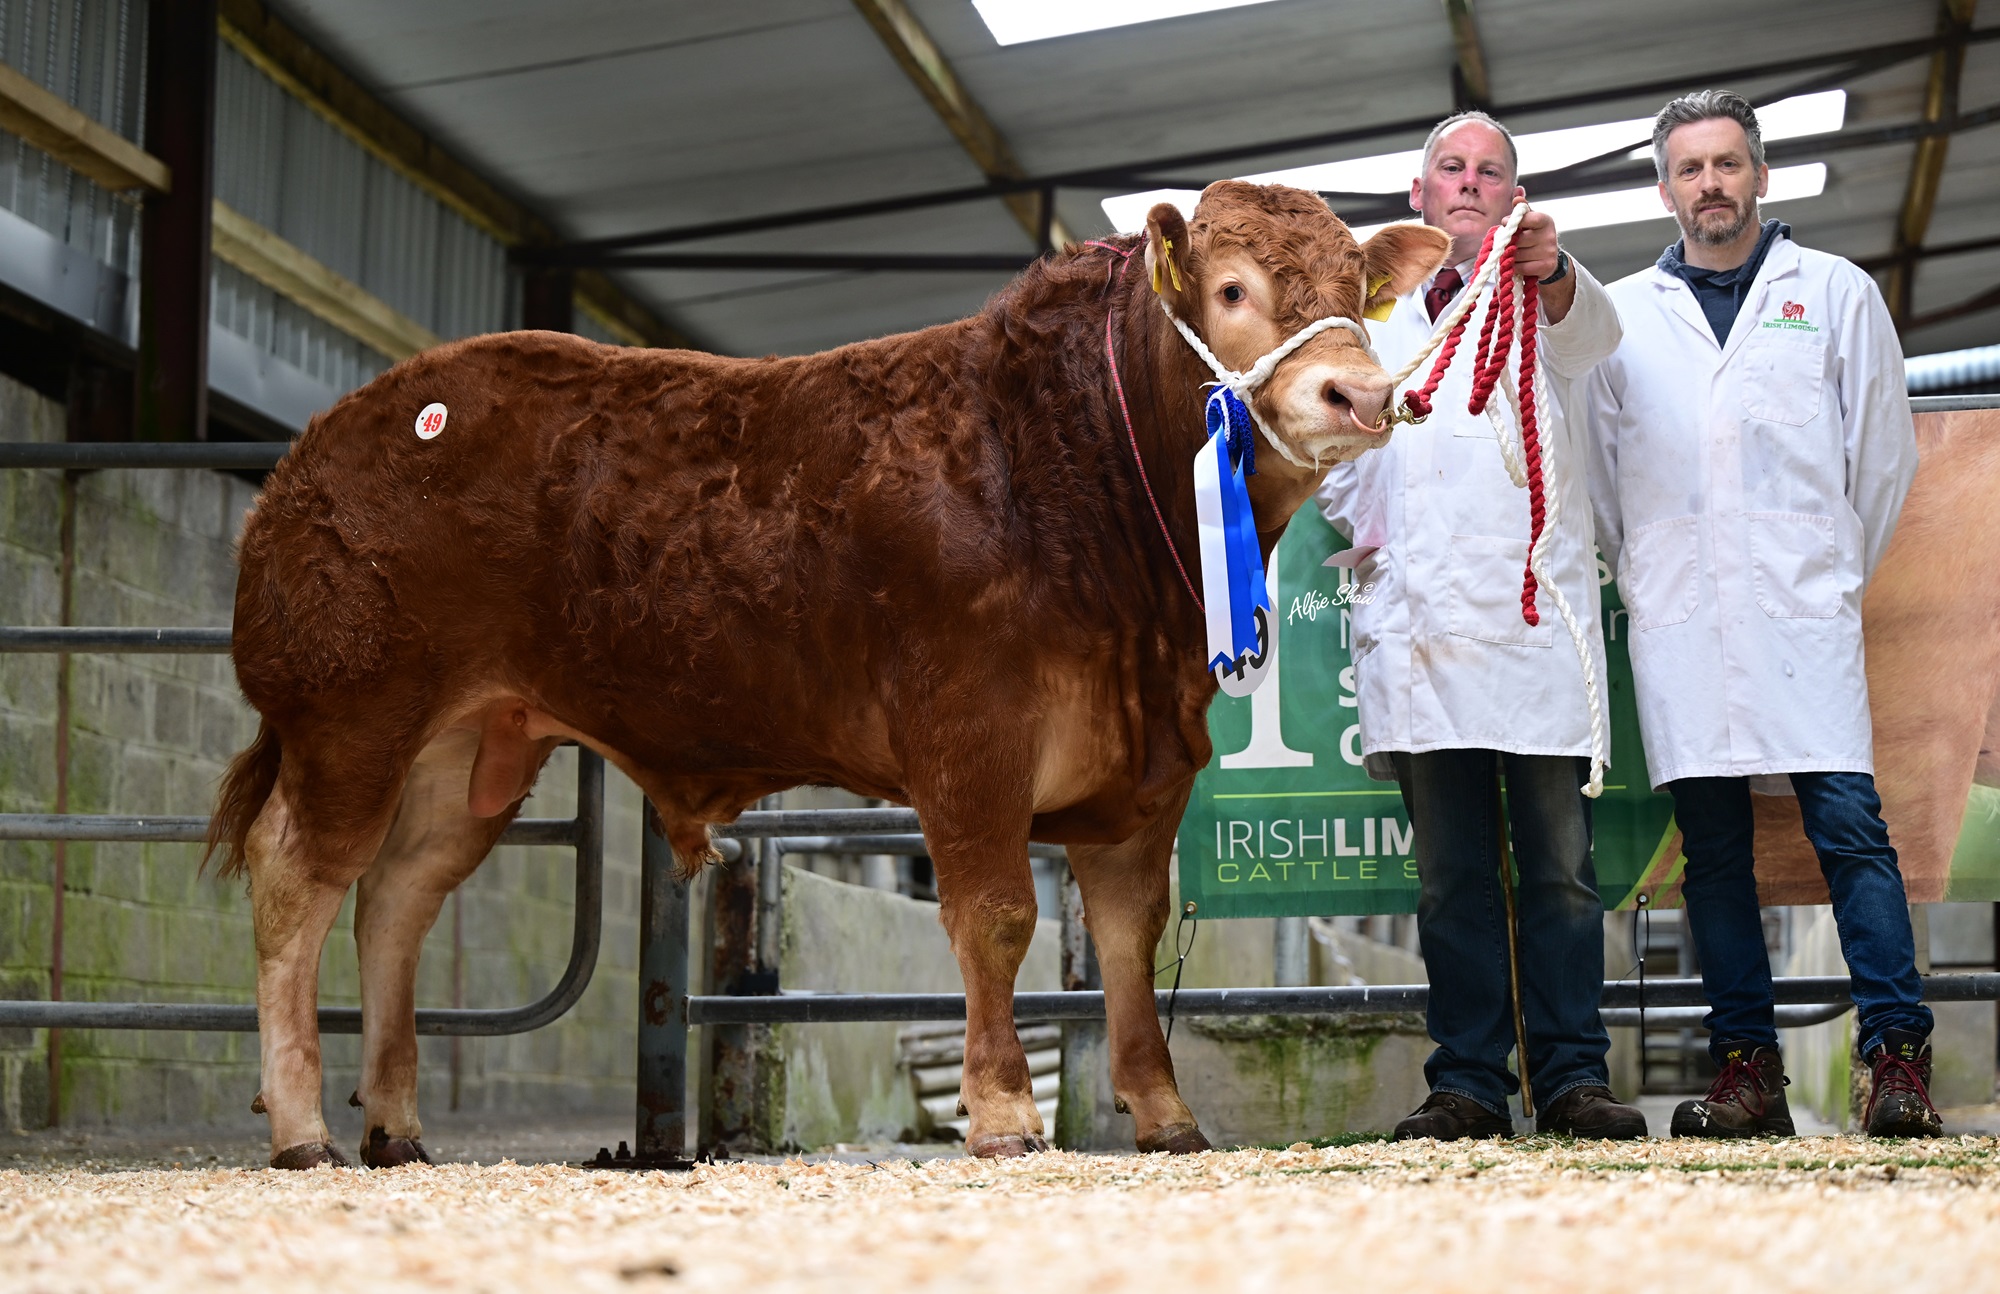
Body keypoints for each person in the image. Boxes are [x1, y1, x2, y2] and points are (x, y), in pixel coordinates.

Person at [1581, 90, 1937, 1138]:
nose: (1710, 184)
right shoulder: (1621, 318)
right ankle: (1748, 1073)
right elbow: (1601, 482)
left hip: (1801, 611)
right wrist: (1657, 570)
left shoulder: (1832, 293)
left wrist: (1823, 570)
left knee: (1850, 831)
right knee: (1714, 853)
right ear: (1664, 188)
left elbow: (1881, 459)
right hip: (1684, 620)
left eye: (1727, 163)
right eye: (1689, 168)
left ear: (1760, 175)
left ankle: (1895, 1060)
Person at [1317, 111, 1641, 1140]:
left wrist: (1555, 272)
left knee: (1560, 873)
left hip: (1531, 626)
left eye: (1488, 171)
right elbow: (1333, 454)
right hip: (1421, 627)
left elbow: (1595, 338)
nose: (1467, 183)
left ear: (1514, 196)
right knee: (1452, 879)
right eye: (1449, 169)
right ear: (1417, 196)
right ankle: (1466, 1083)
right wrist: (1385, 535)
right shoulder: (1367, 318)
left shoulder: (1546, 296)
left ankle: (1572, 1079)